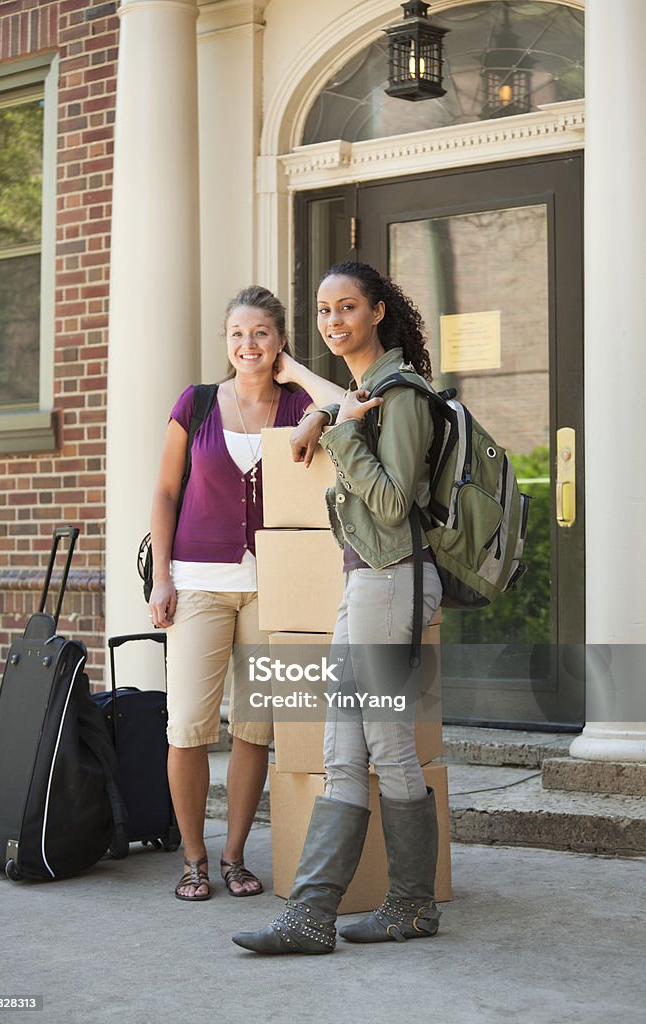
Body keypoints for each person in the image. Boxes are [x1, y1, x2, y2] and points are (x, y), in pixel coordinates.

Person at [232, 262, 443, 952]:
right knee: (339, 748)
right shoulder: (364, 391)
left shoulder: (400, 394)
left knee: (383, 746)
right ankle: (311, 916)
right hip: (367, 583)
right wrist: (326, 413)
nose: (333, 323)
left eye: (346, 308)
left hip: (392, 582)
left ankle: (411, 906)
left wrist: (338, 431)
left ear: (377, 311)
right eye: (324, 312)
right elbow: (345, 413)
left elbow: (391, 502)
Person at [148, 285, 344, 901]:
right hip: (198, 587)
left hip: (273, 589)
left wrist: (306, 388)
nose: (247, 344)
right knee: (188, 728)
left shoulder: (297, 406)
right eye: (237, 333)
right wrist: (162, 577)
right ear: (226, 341)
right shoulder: (197, 403)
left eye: (261, 333)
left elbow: (352, 403)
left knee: (255, 728)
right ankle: (193, 859)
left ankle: (234, 856)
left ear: (280, 340)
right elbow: (165, 493)